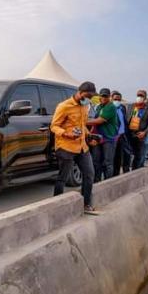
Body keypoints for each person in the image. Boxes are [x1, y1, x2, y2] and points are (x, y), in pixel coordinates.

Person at [50, 81, 97, 214]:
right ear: (80, 92)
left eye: (91, 97)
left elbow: (82, 126)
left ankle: (86, 204)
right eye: (87, 96)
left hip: (82, 147)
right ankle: (56, 205)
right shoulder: (64, 106)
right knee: (63, 178)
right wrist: (66, 134)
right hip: (66, 147)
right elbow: (53, 126)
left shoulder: (84, 106)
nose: (88, 99)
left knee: (89, 174)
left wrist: (89, 136)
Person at [87, 88, 118, 181]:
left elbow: (100, 120)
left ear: (109, 97)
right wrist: (90, 134)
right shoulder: (99, 106)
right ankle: (97, 181)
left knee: (108, 162)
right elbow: (95, 122)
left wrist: (83, 122)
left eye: (106, 96)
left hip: (108, 138)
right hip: (98, 138)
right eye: (102, 96)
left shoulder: (111, 107)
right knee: (96, 161)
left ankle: (108, 182)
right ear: (99, 96)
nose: (103, 98)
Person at [126, 89, 148, 170]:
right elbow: (127, 119)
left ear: (145, 98)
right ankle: (126, 173)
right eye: (138, 95)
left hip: (140, 134)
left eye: (141, 95)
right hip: (130, 133)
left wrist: (144, 133)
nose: (139, 97)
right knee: (127, 154)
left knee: (138, 155)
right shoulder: (131, 106)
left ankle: (136, 172)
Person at [111, 91, 129, 176]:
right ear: (111, 99)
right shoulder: (109, 108)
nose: (117, 101)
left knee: (120, 156)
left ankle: (117, 174)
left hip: (122, 135)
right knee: (112, 157)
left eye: (119, 99)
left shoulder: (122, 108)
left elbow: (124, 121)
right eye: (115, 99)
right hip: (113, 136)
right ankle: (111, 175)